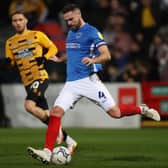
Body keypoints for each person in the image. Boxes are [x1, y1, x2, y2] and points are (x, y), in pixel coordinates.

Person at [27, 3, 160, 164]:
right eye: (66, 20)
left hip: (89, 81)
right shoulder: (70, 33)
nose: (68, 23)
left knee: (115, 113)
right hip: (71, 84)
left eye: (70, 19)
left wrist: (93, 59)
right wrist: (61, 58)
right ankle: (47, 151)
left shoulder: (91, 31)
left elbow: (107, 55)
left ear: (79, 14)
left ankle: (141, 109)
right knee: (56, 112)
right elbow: (73, 54)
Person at [2, 11, 77, 153]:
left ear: (25, 21)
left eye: (20, 19)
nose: (17, 22)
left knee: (29, 106)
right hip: (27, 82)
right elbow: (10, 63)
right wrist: (7, 64)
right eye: (14, 20)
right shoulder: (10, 42)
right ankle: (69, 141)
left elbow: (53, 47)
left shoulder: (36, 35)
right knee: (46, 116)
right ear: (12, 23)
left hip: (40, 77)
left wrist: (44, 57)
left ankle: (54, 142)